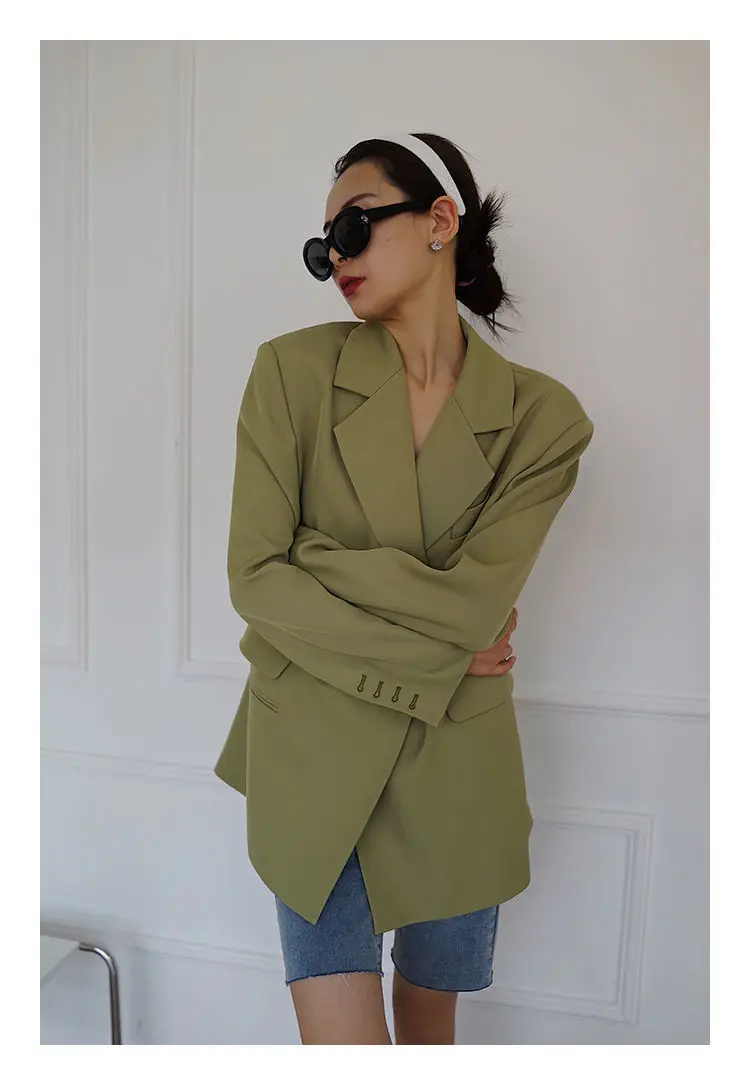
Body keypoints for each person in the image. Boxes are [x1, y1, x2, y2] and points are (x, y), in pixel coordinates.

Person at [213, 132, 595, 1044]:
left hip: (453, 773)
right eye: (322, 247)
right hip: (312, 763)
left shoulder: (543, 420)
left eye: (353, 227)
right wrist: (447, 650)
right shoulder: (290, 374)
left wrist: (319, 563)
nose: (334, 257)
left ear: (439, 221)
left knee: (428, 1042)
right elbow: (256, 578)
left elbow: (476, 608)